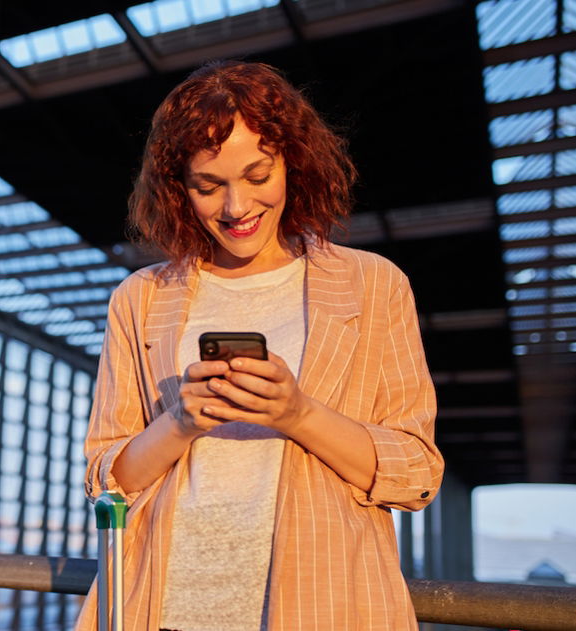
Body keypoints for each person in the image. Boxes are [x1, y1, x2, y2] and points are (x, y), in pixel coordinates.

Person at [76, 61, 444, 630]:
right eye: (208, 185)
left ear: (292, 163)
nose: (236, 207)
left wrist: (297, 414)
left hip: (324, 605)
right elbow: (108, 481)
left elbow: (417, 472)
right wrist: (180, 421)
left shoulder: (373, 284)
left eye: (257, 175)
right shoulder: (141, 298)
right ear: (179, 189)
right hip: (163, 607)